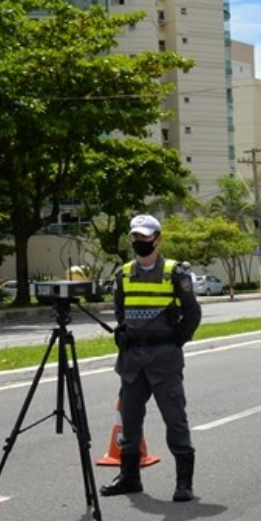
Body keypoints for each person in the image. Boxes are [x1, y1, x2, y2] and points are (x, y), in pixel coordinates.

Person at [100, 214, 203, 502]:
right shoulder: (123, 274)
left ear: (157, 239)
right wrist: (123, 332)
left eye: (145, 237)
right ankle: (130, 477)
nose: (139, 242)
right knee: (129, 419)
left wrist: (175, 341)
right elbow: (120, 311)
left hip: (164, 357)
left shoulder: (175, 272)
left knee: (174, 418)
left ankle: (184, 483)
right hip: (133, 358)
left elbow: (192, 313)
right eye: (135, 237)